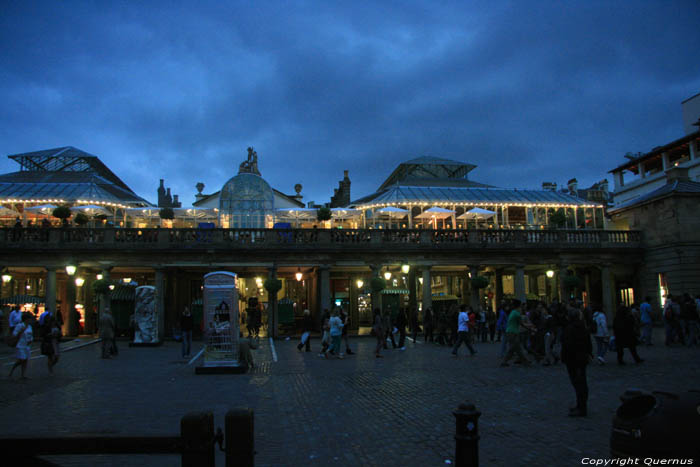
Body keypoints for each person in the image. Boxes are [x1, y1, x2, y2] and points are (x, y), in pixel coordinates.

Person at [561, 308, 593, 417]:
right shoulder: (583, 327)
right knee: (581, 383)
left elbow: (567, 345)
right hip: (581, 359)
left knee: (578, 384)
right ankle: (581, 405)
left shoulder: (570, 329)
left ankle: (582, 408)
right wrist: (588, 354)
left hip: (573, 360)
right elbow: (588, 344)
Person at [501, 300, 531, 367]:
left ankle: (524, 361)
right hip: (513, 333)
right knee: (515, 348)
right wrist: (531, 327)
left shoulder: (513, 312)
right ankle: (525, 361)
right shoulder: (517, 314)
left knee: (516, 348)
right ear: (519, 306)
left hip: (510, 332)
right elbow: (522, 324)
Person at [9, 313, 33, 379]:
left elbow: (31, 335)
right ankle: (12, 370)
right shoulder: (20, 326)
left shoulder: (29, 326)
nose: (30, 320)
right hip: (20, 344)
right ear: (26, 319)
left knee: (25, 360)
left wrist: (31, 340)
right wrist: (21, 331)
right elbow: (14, 334)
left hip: (27, 345)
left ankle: (23, 374)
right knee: (22, 359)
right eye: (29, 319)